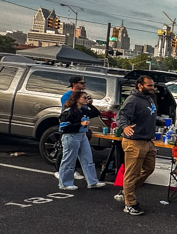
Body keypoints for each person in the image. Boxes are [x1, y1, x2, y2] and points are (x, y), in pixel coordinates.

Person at [115, 76, 159, 216]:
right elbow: (121, 115)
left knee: (149, 169)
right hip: (134, 141)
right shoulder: (133, 100)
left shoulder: (149, 98)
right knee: (131, 173)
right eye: (149, 86)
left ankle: (126, 191)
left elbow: (149, 115)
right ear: (140, 86)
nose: (152, 88)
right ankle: (130, 204)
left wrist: (162, 122)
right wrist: (125, 127)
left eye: (152, 85)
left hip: (148, 141)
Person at [57, 91, 107, 190]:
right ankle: (65, 183)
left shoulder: (83, 110)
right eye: (84, 98)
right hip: (71, 136)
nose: (86, 99)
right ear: (77, 99)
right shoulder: (69, 112)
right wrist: (80, 124)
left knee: (88, 158)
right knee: (69, 160)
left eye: (87, 97)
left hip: (82, 136)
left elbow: (96, 113)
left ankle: (92, 181)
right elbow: (63, 127)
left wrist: (90, 104)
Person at [55, 75, 87, 180]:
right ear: (74, 84)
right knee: (66, 149)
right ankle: (59, 170)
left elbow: (86, 110)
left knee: (77, 150)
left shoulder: (83, 96)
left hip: (81, 127)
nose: (84, 85)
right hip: (70, 126)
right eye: (81, 83)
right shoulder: (67, 96)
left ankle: (72, 170)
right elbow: (68, 110)